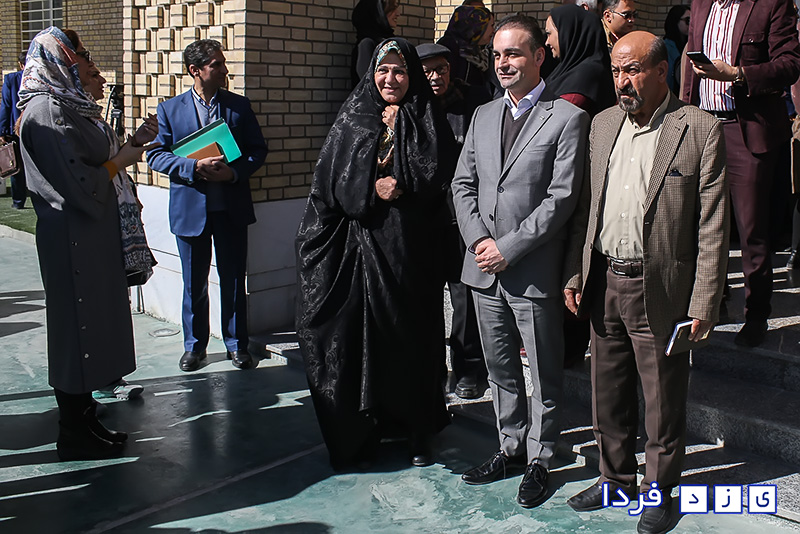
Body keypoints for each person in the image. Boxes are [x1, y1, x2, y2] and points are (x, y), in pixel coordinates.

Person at [563, 32, 729, 534]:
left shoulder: (698, 128)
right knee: (607, 393)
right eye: (617, 71)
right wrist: (576, 272)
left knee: (661, 401)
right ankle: (615, 479)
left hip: (660, 286)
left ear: (661, 71)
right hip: (604, 280)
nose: (622, 81)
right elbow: (585, 208)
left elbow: (712, 225)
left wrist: (703, 301)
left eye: (632, 70)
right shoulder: (602, 125)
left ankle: (660, 490)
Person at [296, 38, 456, 471]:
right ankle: (366, 427)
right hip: (357, 252)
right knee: (358, 339)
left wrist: (402, 142)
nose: (391, 79)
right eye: (383, 70)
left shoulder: (426, 114)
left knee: (410, 340)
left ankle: (417, 428)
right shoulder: (354, 115)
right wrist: (372, 186)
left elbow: (436, 173)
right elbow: (330, 183)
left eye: (400, 71)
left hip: (410, 252)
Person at [452, 15, 589, 508]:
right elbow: (462, 184)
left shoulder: (567, 118)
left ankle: (541, 457)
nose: (502, 63)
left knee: (543, 374)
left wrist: (507, 248)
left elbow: (561, 199)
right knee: (500, 369)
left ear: (538, 56)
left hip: (530, 271)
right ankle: (510, 448)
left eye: (513, 53)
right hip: (483, 269)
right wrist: (478, 241)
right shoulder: (483, 115)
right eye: (497, 55)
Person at [17, 27, 158, 461]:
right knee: (76, 331)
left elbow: (93, 161)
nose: (88, 60)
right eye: (80, 52)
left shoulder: (67, 105)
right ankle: (73, 431)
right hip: (73, 238)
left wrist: (131, 145)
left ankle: (86, 420)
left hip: (90, 235)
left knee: (92, 327)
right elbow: (79, 183)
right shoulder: (47, 110)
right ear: (61, 58)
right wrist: (125, 159)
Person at [682, 0, 800, 347]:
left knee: (752, 231)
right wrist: (683, 114)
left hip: (745, 128)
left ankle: (756, 314)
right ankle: (710, 302)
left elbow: (790, 64)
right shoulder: (701, 4)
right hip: (702, 124)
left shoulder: (770, 4)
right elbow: (690, 64)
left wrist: (737, 74)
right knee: (700, 224)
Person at [147, 39, 267, 372]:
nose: (224, 69)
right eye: (216, 64)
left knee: (233, 280)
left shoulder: (239, 106)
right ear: (195, 70)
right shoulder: (170, 110)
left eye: (222, 63)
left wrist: (233, 173)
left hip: (231, 209)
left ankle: (236, 345)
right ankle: (194, 347)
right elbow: (155, 155)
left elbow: (257, 150)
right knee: (193, 283)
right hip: (190, 212)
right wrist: (192, 167)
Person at [416, 42, 487, 399]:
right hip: (421, 221)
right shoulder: (410, 107)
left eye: (441, 69)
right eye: (427, 71)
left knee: (464, 298)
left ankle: (468, 368)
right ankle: (429, 372)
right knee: (425, 300)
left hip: (461, 219)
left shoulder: (472, 103)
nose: (435, 77)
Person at [546, 5, 616, 117]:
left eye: (549, 34)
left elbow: (559, 117)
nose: (547, 42)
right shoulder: (566, 68)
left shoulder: (585, 78)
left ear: (567, 32)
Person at [437, 5, 495, 102]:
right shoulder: (449, 48)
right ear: (478, 26)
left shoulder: (478, 50)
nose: (493, 31)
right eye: (491, 26)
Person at [351, 0, 401, 87]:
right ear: (379, 13)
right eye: (392, 9)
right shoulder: (367, 44)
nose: (398, 14)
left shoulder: (391, 41)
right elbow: (367, 83)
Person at [0, 52, 27, 209]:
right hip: (36, 127)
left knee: (16, 165)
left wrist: (3, 131)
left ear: (20, 64)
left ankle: (18, 201)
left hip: (15, 128)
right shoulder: (40, 78)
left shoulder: (11, 79)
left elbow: (6, 105)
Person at [663, 5, 690, 94]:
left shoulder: (690, 45)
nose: (691, 25)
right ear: (676, 21)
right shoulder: (665, 47)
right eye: (687, 20)